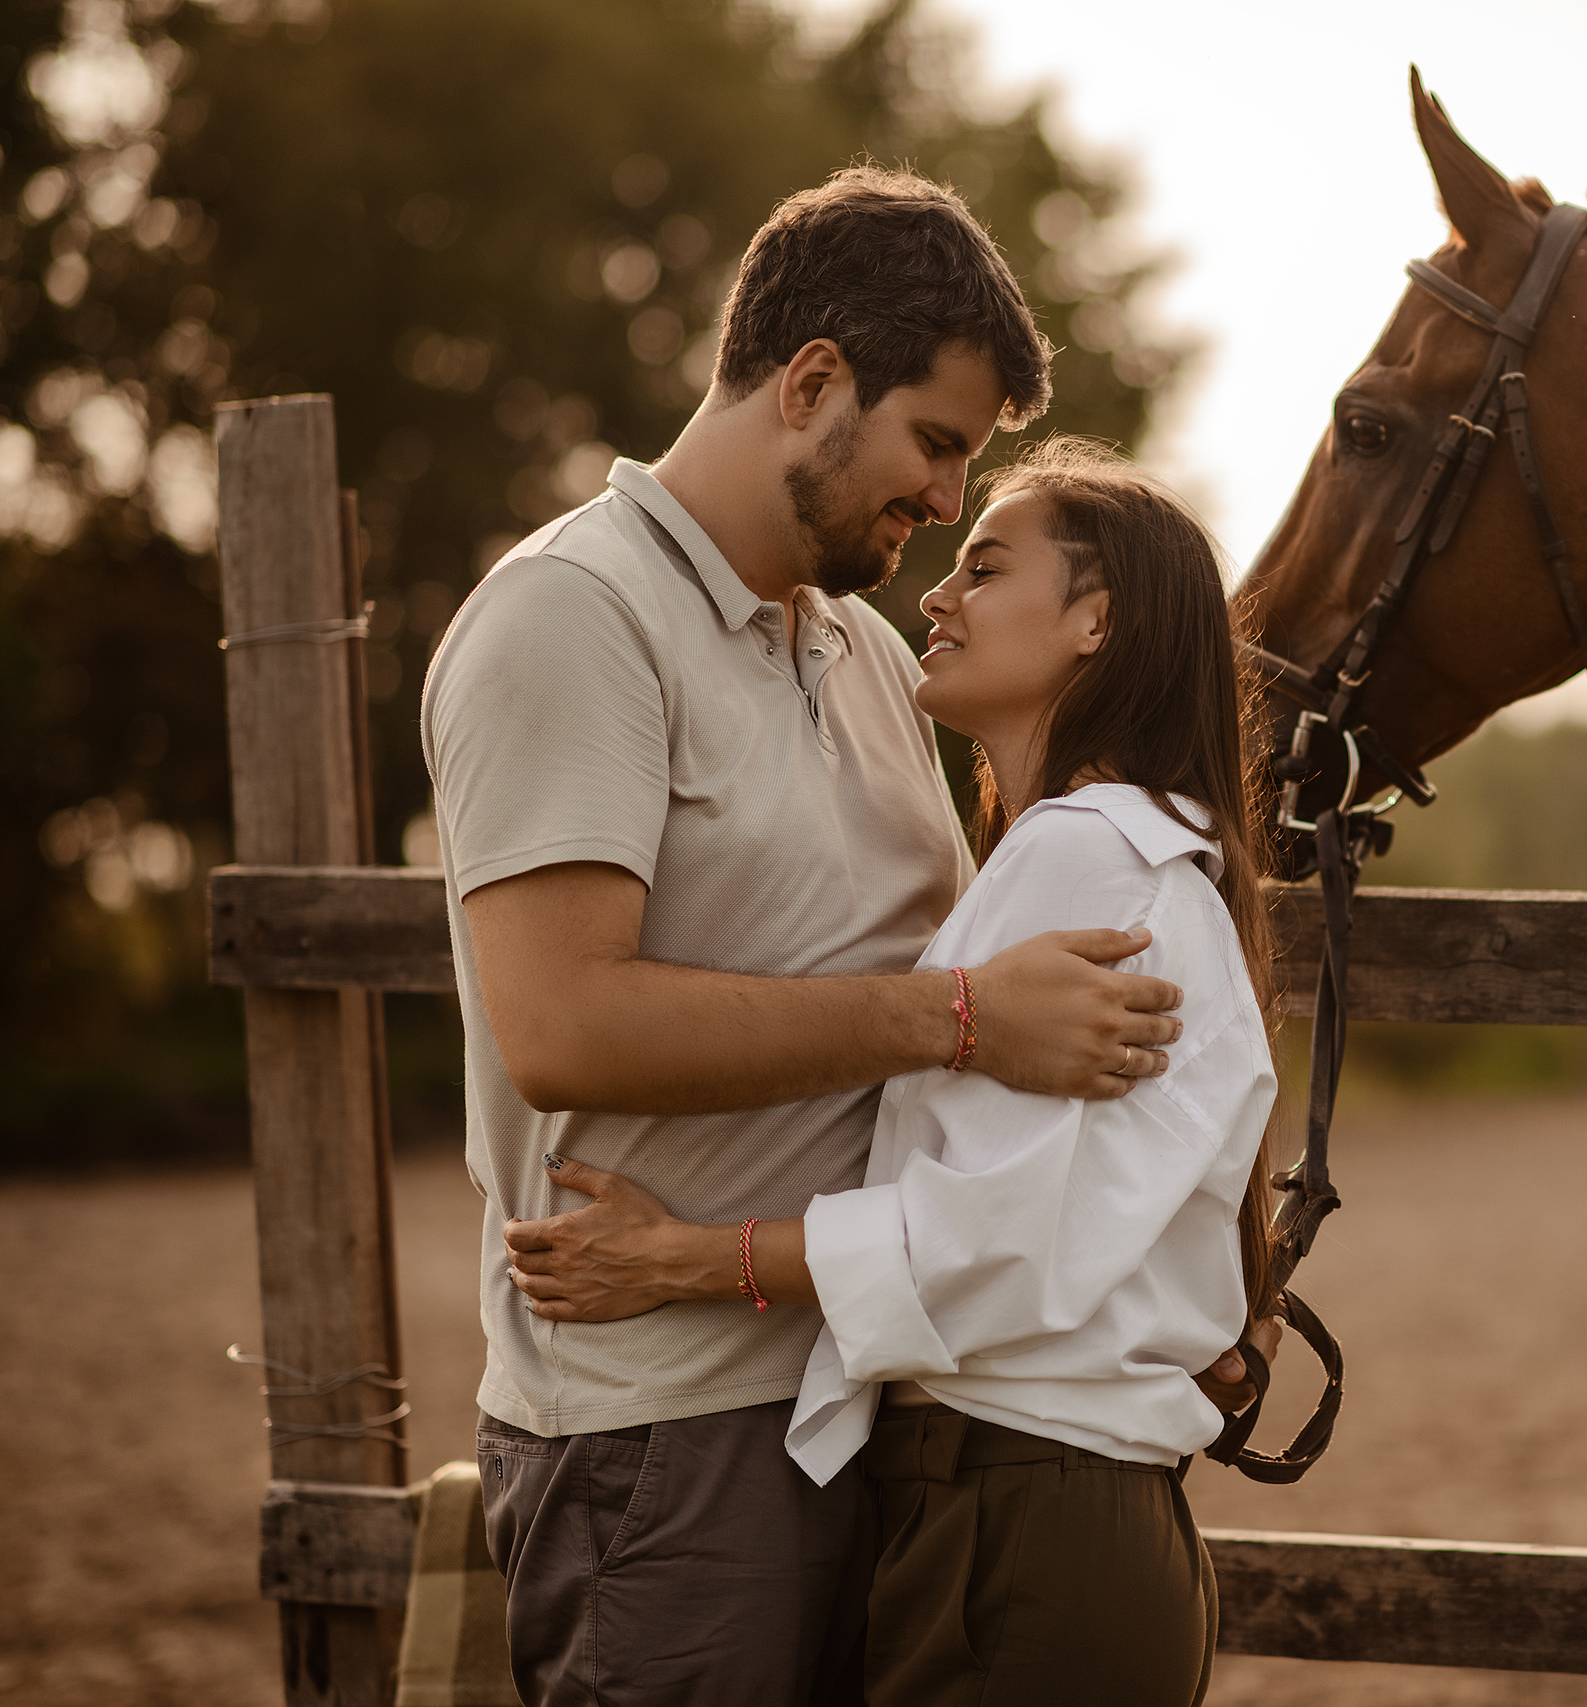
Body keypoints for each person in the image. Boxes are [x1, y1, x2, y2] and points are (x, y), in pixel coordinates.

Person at [423, 170, 1257, 1707]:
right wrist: (949, 1018)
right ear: (811, 383)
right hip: (660, 1435)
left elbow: (1041, 1071)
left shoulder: (869, 653)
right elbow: (562, 1030)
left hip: (864, 1404)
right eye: (935, 444)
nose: (945, 503)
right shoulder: (573, 617)